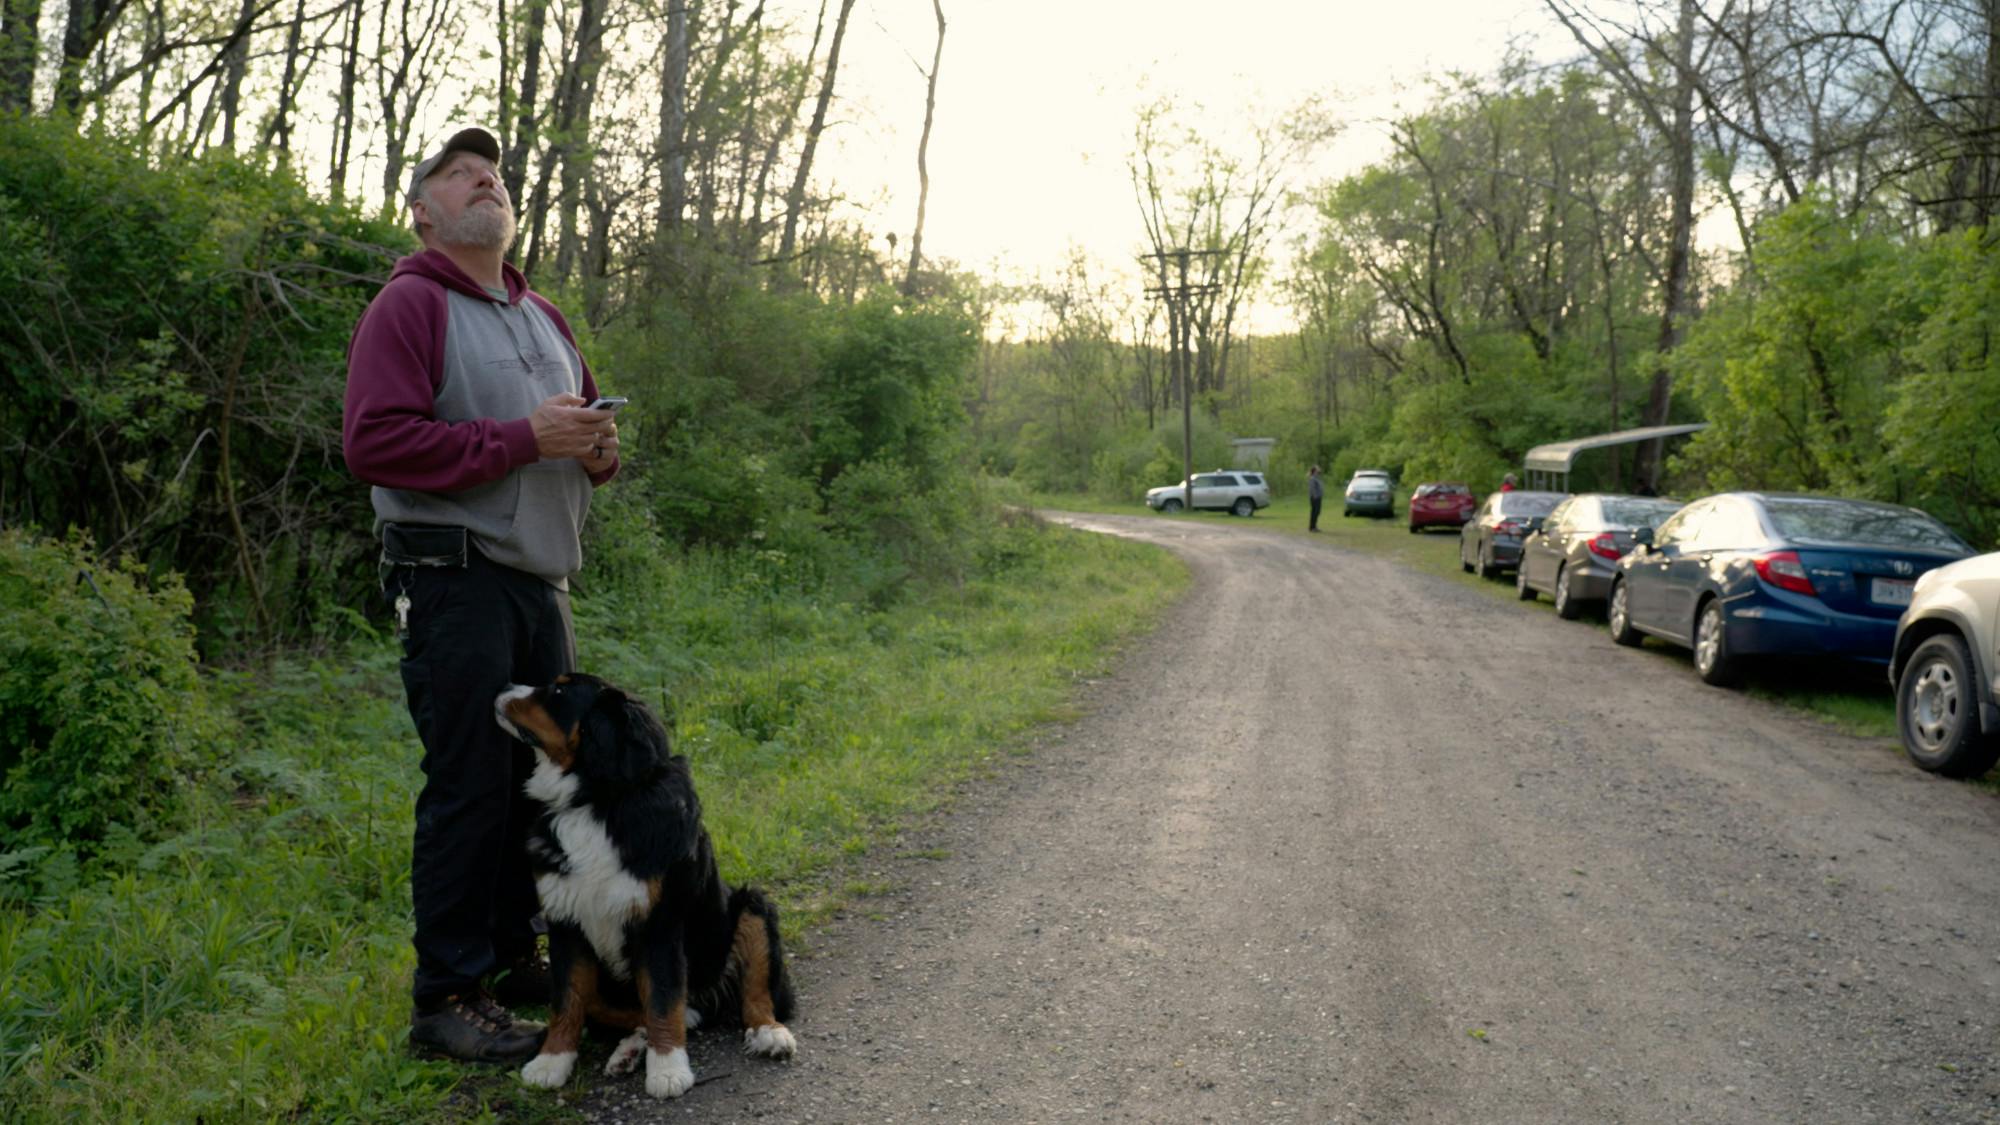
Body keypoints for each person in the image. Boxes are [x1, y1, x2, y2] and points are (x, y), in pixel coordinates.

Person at [342, 126, 621, 1064]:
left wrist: (598, 451)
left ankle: (512, 961)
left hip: (542, 583)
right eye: (460, 177)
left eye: (494, 176)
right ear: (423, 213)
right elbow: (374, 443)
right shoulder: (409, 306)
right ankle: (447, 995)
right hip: (452, 574)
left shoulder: (545, 315)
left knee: (537, 786)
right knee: (469, 783)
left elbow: (576, 432)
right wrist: (517, 441)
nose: (484, 184)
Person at [1307, 465, 1324, 532]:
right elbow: (1312, 489)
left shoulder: (1317, 478)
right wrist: (1315, 496)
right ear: (1314, 471)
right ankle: (1312, 527)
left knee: (1317, 512)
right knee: (1314, 512)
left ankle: (1314, 526)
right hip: (1315, 498)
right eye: (1317, 470)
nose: (1319, 471)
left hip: (1318, 497)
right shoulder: (1312, 478)